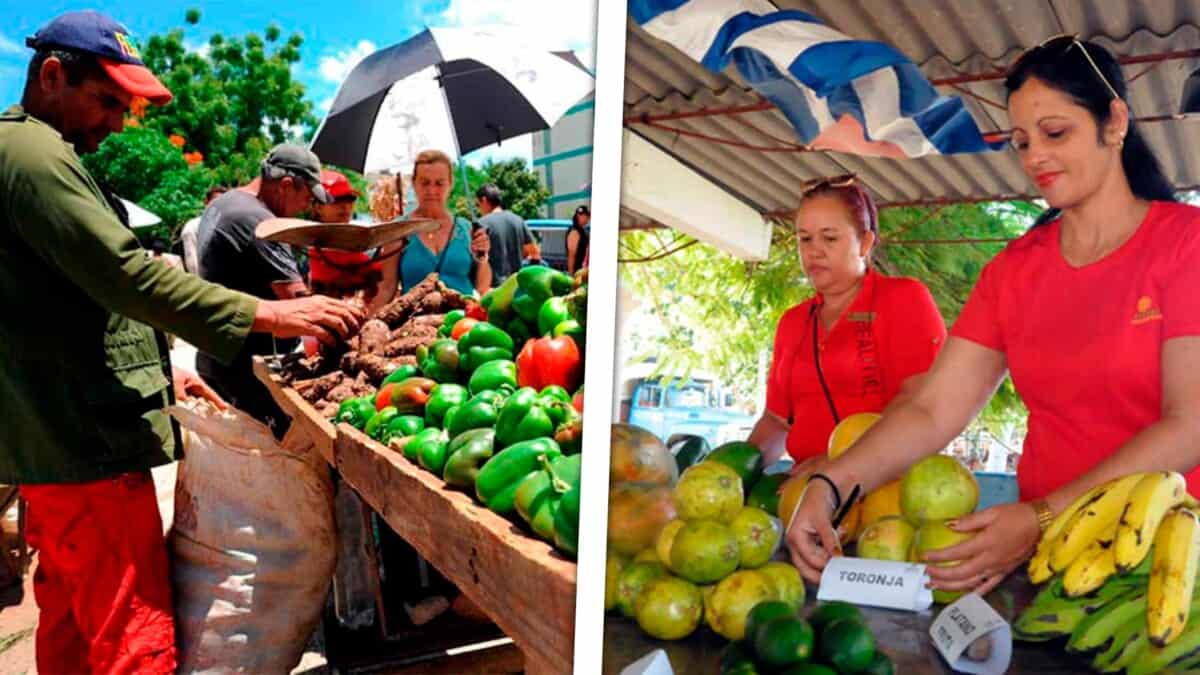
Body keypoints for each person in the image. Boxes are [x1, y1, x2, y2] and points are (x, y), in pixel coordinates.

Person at [0, 11, 363, 674]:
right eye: (107, 100)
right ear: (53, 76)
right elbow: (125, 277)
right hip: (89, 450)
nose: (117, 122)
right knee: (133, 636)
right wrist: (275, 316)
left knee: (74, 629)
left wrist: (165, 377)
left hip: (58, 448)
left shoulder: (35, 153)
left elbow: (71, 307)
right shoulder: (33, 155)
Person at [786, 36, 1200, 598]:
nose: (1035, 158)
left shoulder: (1185, 245)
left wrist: (1042, 515)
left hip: (1168, 567)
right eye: (1022, 142)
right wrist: (832, 483)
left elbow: (1190, 425)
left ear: (1115, 122)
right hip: (1048, 565)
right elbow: (934, 409)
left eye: (1056, 133)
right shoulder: (1013, 273)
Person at [746, 176, 946, 474]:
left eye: (829, 238)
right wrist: (730, 472)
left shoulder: (903, 298)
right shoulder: (793, 322)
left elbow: (920, 403)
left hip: (885, 488)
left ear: (865, 242)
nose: (814, 251)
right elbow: (776, 421)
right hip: (807, 491)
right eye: (805, 239)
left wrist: (837, 467)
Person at [195, 143, 340, 439]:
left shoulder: (225, 202)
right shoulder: (260, 222)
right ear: (287, 185)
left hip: (218, 357)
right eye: (306, 197)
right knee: (285, 450)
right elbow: (299, 303)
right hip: (247, 370)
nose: (307, 207)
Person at [398, 149, 491, 296]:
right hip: (415, 318)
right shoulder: (398, 230)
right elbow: (386, 288)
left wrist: (483, 257)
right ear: (414, 183)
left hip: (462, 317)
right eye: (425, 183)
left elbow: (482, 287)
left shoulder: (466, 229)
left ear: (450, 184)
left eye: (439, 183)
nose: (432, 190)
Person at [476, 182, 539, 283]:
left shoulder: (481, 224)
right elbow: (535, 253)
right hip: (516, 286)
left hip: (492, 289)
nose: (478, 209)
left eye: (477, 204)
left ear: (484, 200)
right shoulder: (518, 220)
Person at [181, 185, 227, 273]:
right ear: (206, 202)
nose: (219, 206)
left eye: (223, 203)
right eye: (215, 202)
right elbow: (193, 264)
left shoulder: (227, 226)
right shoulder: (193, 227)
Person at [567, 204, 590, 275]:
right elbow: (571, 255)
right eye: (587, 216)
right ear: (578, 216)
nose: (588, 218)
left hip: (583, 270)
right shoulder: (575, 232)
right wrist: (571, 274)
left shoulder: (583, 230)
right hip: (577, 272)